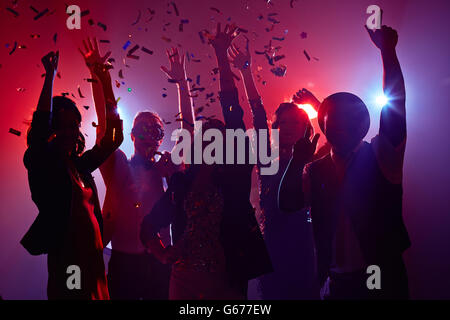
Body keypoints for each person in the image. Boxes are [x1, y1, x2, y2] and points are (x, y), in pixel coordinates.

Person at [140, 23, 273, 300]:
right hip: (184, 279)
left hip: (228, 275)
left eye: (219, 138)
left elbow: (233, 109)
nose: (211, 143)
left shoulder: (235, 175)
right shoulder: (182, 182)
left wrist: (222, 57)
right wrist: (162, 253)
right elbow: (147, 227)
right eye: (205, 139)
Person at [279, 25, 410, 300]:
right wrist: (297, 160)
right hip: (336, 282)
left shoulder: (381, 156)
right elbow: (287, 203)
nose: (340, 126)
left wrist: (387, 51)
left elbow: (396, 109)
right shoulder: (314, 170)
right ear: (324, 126)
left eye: (347, 120)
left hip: (381, 279)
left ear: (362, 124)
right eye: (333, 121)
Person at [80, 39, 186, 300]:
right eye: (143, 129)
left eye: (155, 131)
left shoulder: (168, 170)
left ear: (161, 137)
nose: (149, 136)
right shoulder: (119, 167)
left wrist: (182, 84)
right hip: (123, 262)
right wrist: (100, 76)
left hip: (159, 262)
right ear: (133, 135)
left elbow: (188, 134)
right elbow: (105, 129)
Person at [21, 50, 123, 299]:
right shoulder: (44, 165)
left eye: (73, 125)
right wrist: (49, 78)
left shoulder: (79, 167)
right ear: (52, 129)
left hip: (94, 262)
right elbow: (37, 135)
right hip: (70, 264)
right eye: (61, 125)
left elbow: (113, 138)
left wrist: (106, 83)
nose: (68, 132)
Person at [228, 42, 323, 299]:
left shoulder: (314, 161)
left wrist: (317, 103)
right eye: (283, 123)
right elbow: (257, 114)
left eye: (297, 122)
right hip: (273, 247)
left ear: (306, 128)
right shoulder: (266, 157)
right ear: (276, 128)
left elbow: (337, 131)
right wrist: (246, 72)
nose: (290, 127)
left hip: (304, 245)